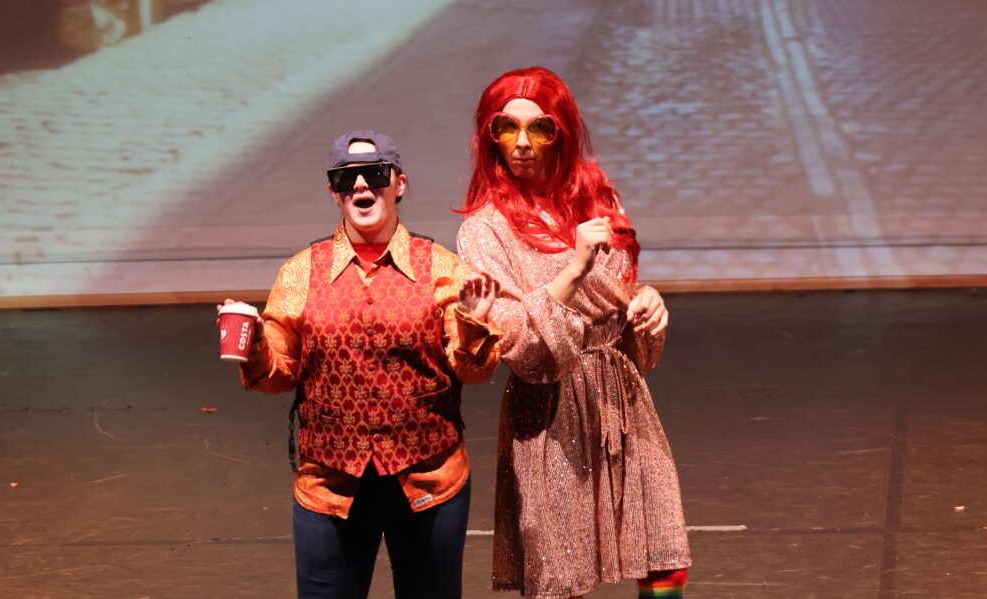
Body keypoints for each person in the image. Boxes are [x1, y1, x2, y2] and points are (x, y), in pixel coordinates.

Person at [220, 130, 502, 599]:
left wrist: (474, 323)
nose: (361, 187)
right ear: (333, 192)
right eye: (346, 179)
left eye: (374, 174)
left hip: (428, 482)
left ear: (400, 183)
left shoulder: (442, 268)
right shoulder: (302, 272)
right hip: (330, 487)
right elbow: (277, 376)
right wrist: (251, 347)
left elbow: (474, 372)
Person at [456, 67, 691, 598]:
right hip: (547, 414)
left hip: (619, 400)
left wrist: (647, 305)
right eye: (505, 128)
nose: (521, 144)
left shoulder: (597, 200)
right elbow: (522, 347)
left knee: (664, 553)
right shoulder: (484, 230)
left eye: (538, 128)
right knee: (559, 574)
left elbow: (624, 309)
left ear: (560, 131)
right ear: (488, 136)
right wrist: (574, 269)